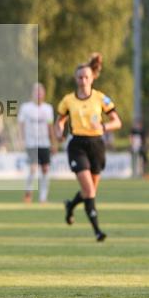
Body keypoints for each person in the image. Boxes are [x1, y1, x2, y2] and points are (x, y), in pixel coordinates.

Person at [56, 53, 122, 242]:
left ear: (92, 78)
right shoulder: (68, 100)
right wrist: (59, 131)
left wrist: (103, 127)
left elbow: (117, 122)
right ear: (75, 79)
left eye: (86, 77)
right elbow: (59, 121)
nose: (83, 80)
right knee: (90, 191)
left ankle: (70, 206)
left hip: (97, 145)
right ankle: (97, 231)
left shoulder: (101, 98)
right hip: (77, 145)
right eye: (80, 77)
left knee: (89, 190)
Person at [18, 82, 55, 204]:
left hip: (45, 143)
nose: (38, 94)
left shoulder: (48, 109)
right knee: (33, 168)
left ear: (44, 94)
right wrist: (22, 140)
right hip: (31, 143)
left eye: (40, 91)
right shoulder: (25, 108)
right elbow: (21, 125)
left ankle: (43, 198)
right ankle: (28, 192)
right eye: (36, 91)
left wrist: (53, 142)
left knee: (45, 169)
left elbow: (50, 126)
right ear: (32, 93)